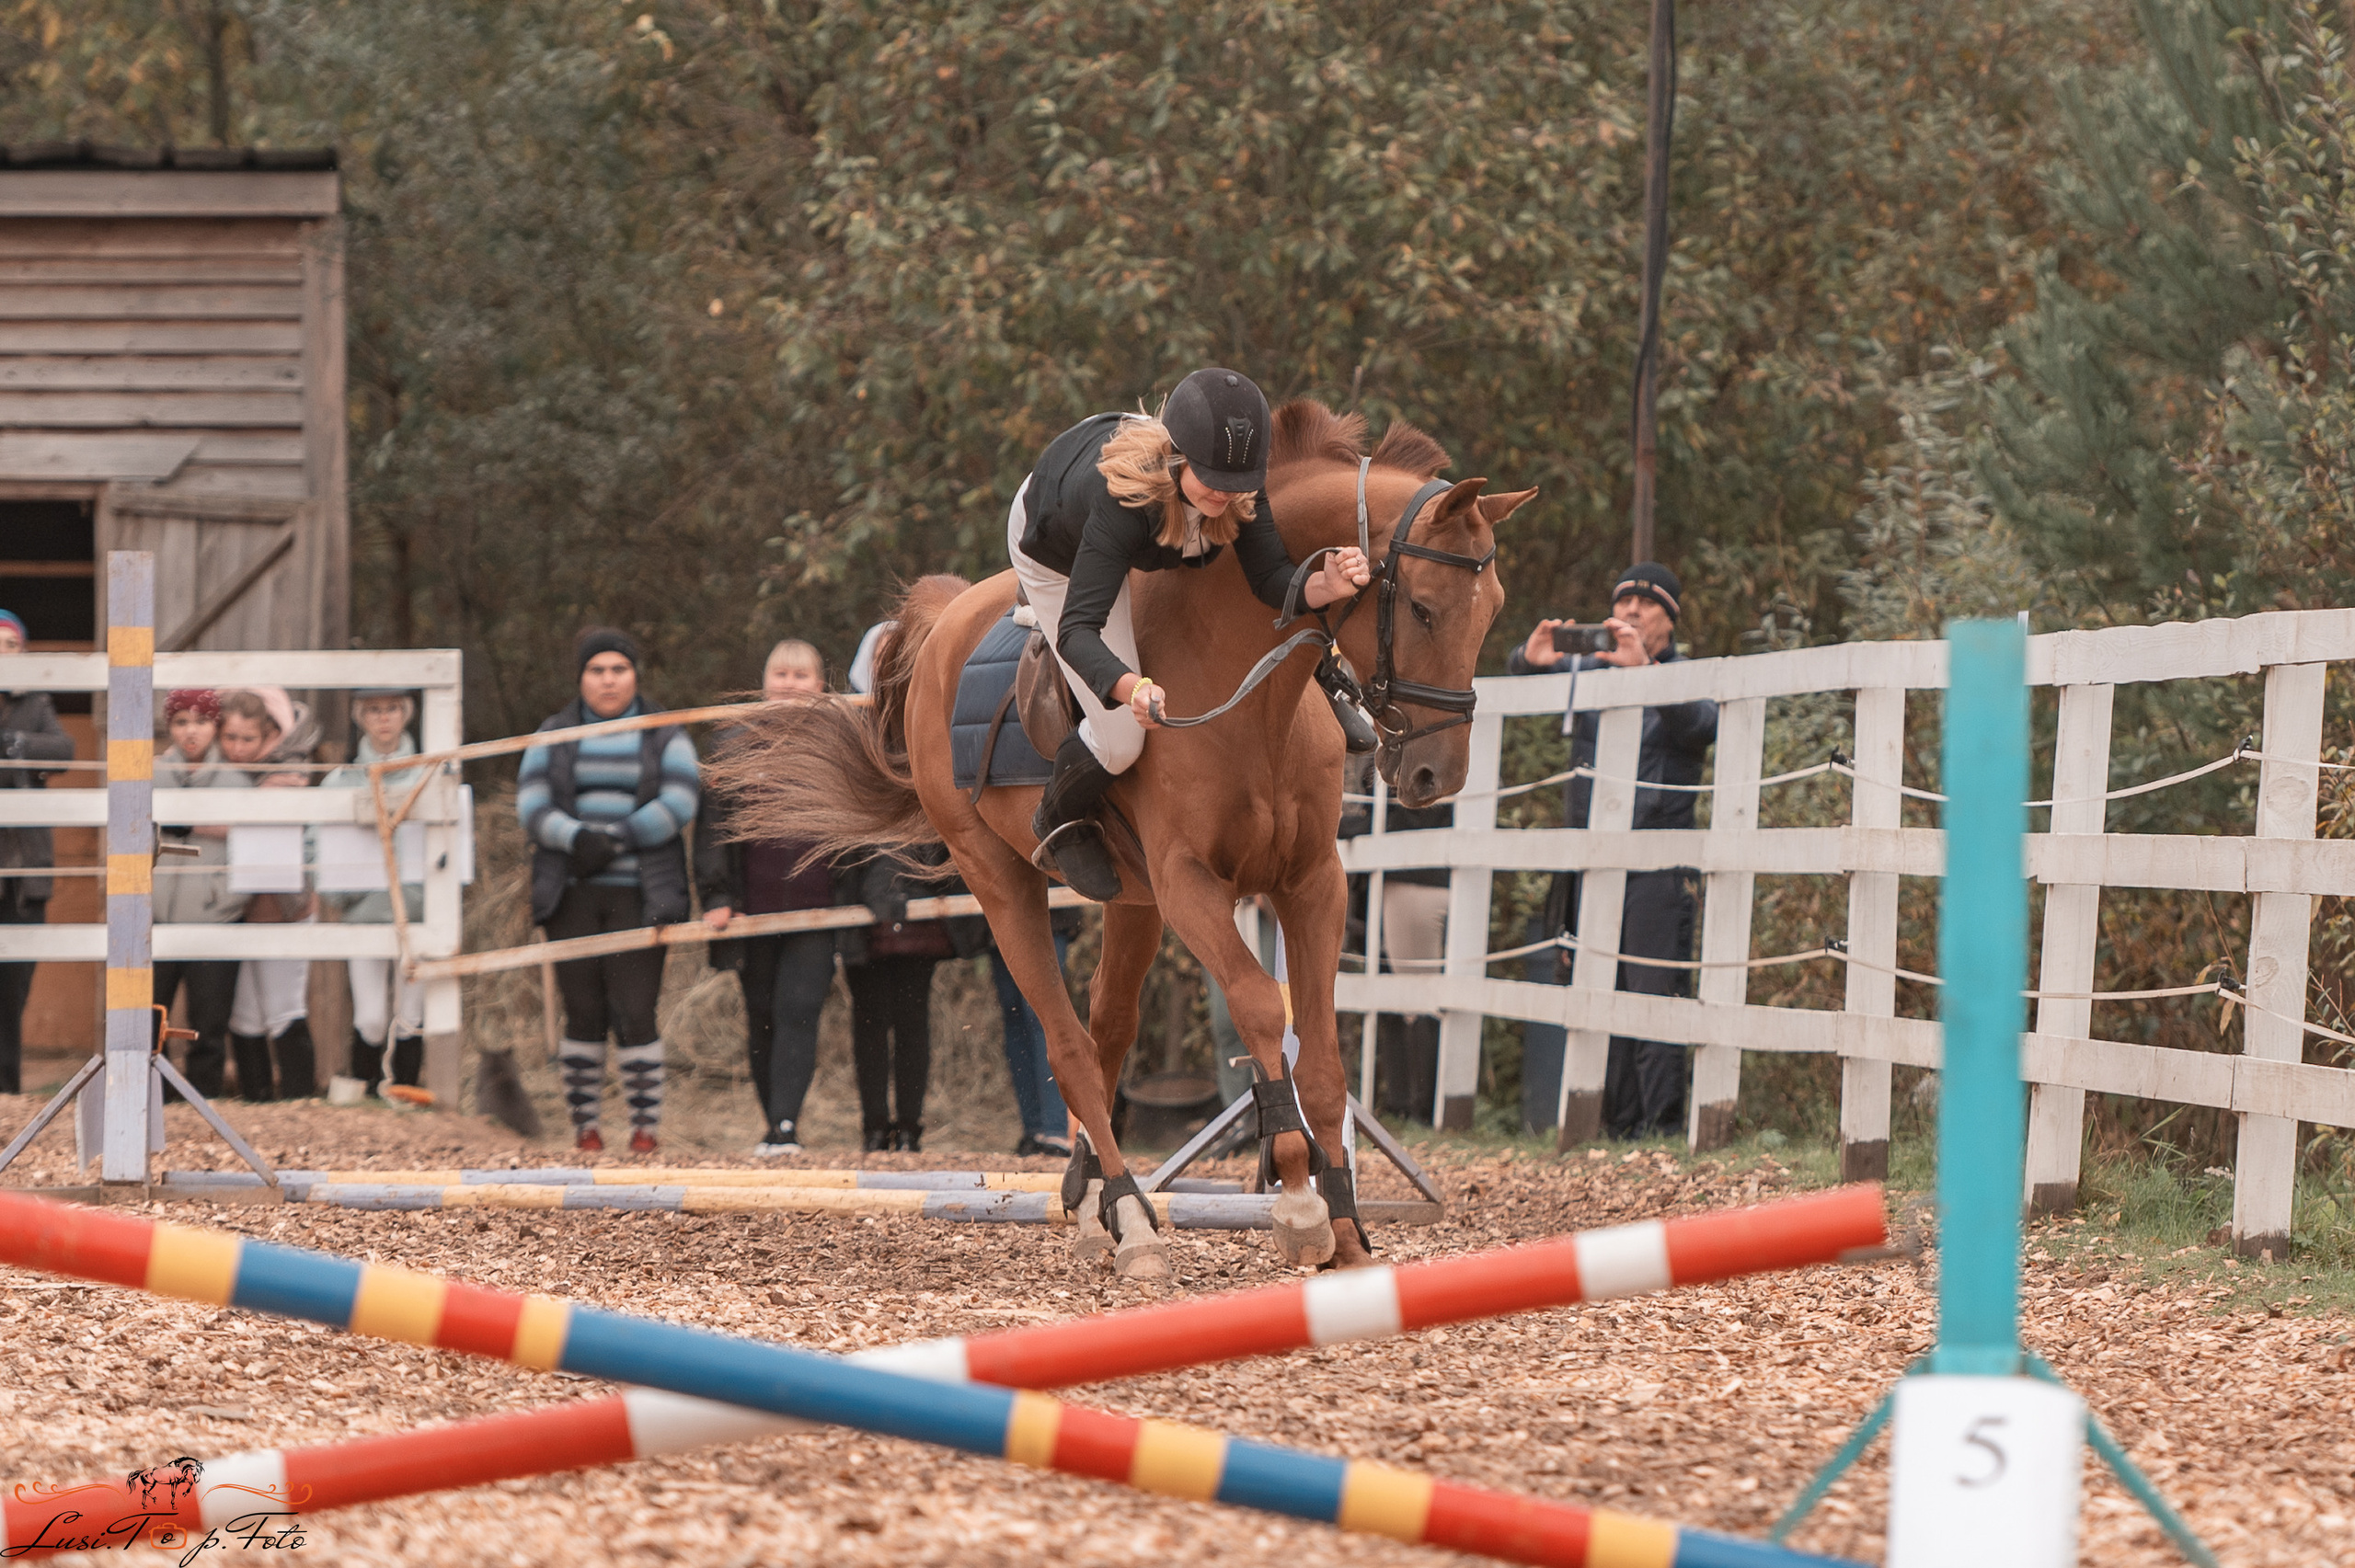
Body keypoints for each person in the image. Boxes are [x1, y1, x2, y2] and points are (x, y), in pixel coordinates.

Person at [1008, 367, 1372, 900]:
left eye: (1238, 483)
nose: (1227, 495)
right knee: (1123, 738)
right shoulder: (1122, 505)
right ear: (1179, 456)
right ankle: (1058, 818)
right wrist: (1130, 687)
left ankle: (1320, 679)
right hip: (1054, 541)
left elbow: (1271, 581)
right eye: (1213, 481)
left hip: (1149, 514)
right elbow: (1077, 632)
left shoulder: (1237, 482)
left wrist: (1324, 583)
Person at [1506, 562, 1717, 1139]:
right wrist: (1532, 659)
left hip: (1657, 857)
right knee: (1596, 989)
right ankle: (1616, 1130)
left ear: (1669, 619)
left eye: (1645, 605)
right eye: (1623, 602)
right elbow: (1511, 682)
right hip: (1591, 857)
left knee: (1653, 992)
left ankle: (1662, 1130)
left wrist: (1646, 674)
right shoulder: (1590, 671)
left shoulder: (1684, 676)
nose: (1629, 612)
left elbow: (1702, 724)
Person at [519, 628, 700, 1154]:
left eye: (618, 669)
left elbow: (682, 798)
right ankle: (586, 1130)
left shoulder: (663, 732)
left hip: (642, 894)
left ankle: (645, 1130)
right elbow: (531, 806)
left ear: (635, 675)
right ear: (581, 678)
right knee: (584, 1013)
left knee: (636, 1010)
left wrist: (617, 837)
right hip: (571, 891)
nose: (608, 680)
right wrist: (576, 838)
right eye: (597, 670)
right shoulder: (553, 732)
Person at [696, 639, 838, 1156]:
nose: (790, 685)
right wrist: (717, 895)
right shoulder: (734, 743)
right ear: (764, 681)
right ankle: (769, 1122)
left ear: (820, 684)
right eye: (781, 674)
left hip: (819, 907)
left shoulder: (837, 740)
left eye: (801, 676)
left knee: (799, 1008)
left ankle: (786, 1126)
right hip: (752, 907)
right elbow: (714, 827)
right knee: (761, 1013)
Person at [318, 688, 426, 1098]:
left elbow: (453, 846)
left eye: (393, 709)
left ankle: (406, 1097)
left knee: (411, 1013)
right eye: (375, 710)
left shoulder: (431, 773)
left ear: (407, 714)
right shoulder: (340, 781)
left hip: (418, 914)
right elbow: (318, 841)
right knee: (370, 1016)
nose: (385, 719)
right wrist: (340, 896)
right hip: (362, 913)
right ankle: (364, 1095)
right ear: (360, 717)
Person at [1337, 752, 1455, 1123]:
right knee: (1405, 999)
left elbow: (1398, 821)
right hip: (1423, 882)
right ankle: (1407, 1103)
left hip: (1412, 884)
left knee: (1416, 1002)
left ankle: (1422, 1109)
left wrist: (1338, 826)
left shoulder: (1418, 756)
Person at [218, 687, 321, 1101]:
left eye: (249, 739)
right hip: (231, 907)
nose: (238, 748)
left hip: (284, 907)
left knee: (283, 1007)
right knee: (244, 1014)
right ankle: (256, 1099)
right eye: (231, 738)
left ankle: (300, 1101)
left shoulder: (290, 773)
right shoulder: (216, 769)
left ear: (270, 736)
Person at [151, 689, 251, 1097]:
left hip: (213, 918)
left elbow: (248, 848)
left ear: (215, 726)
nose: (191, 731)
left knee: (208, 1022)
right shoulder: (149, 774)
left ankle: (202, 1098)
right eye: (181, 721)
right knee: (149, 1016)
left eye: (201, 721)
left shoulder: (237, 782)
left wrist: (224, 903)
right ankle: (151, 1099)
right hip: (155, 917)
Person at [836, 845, 956, 1151]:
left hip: (916, 924)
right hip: (860, 927)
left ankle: (907, 1128)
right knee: (871, 1028)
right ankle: (876, 1127)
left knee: (910, 1026)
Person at [0, 609, 73, 1093]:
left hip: (24, 874)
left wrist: (18, 744)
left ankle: (6, 1093)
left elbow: (64, 750)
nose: (5, 655)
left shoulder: (35, 704)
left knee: (13, 992)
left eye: (12, 646)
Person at [991, 909, 1076, 1158]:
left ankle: (1056, 1130)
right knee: (1015, 1018)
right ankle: (1034, 1129)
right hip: (998, 923)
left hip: (1049, 919)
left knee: (1042, 1016)